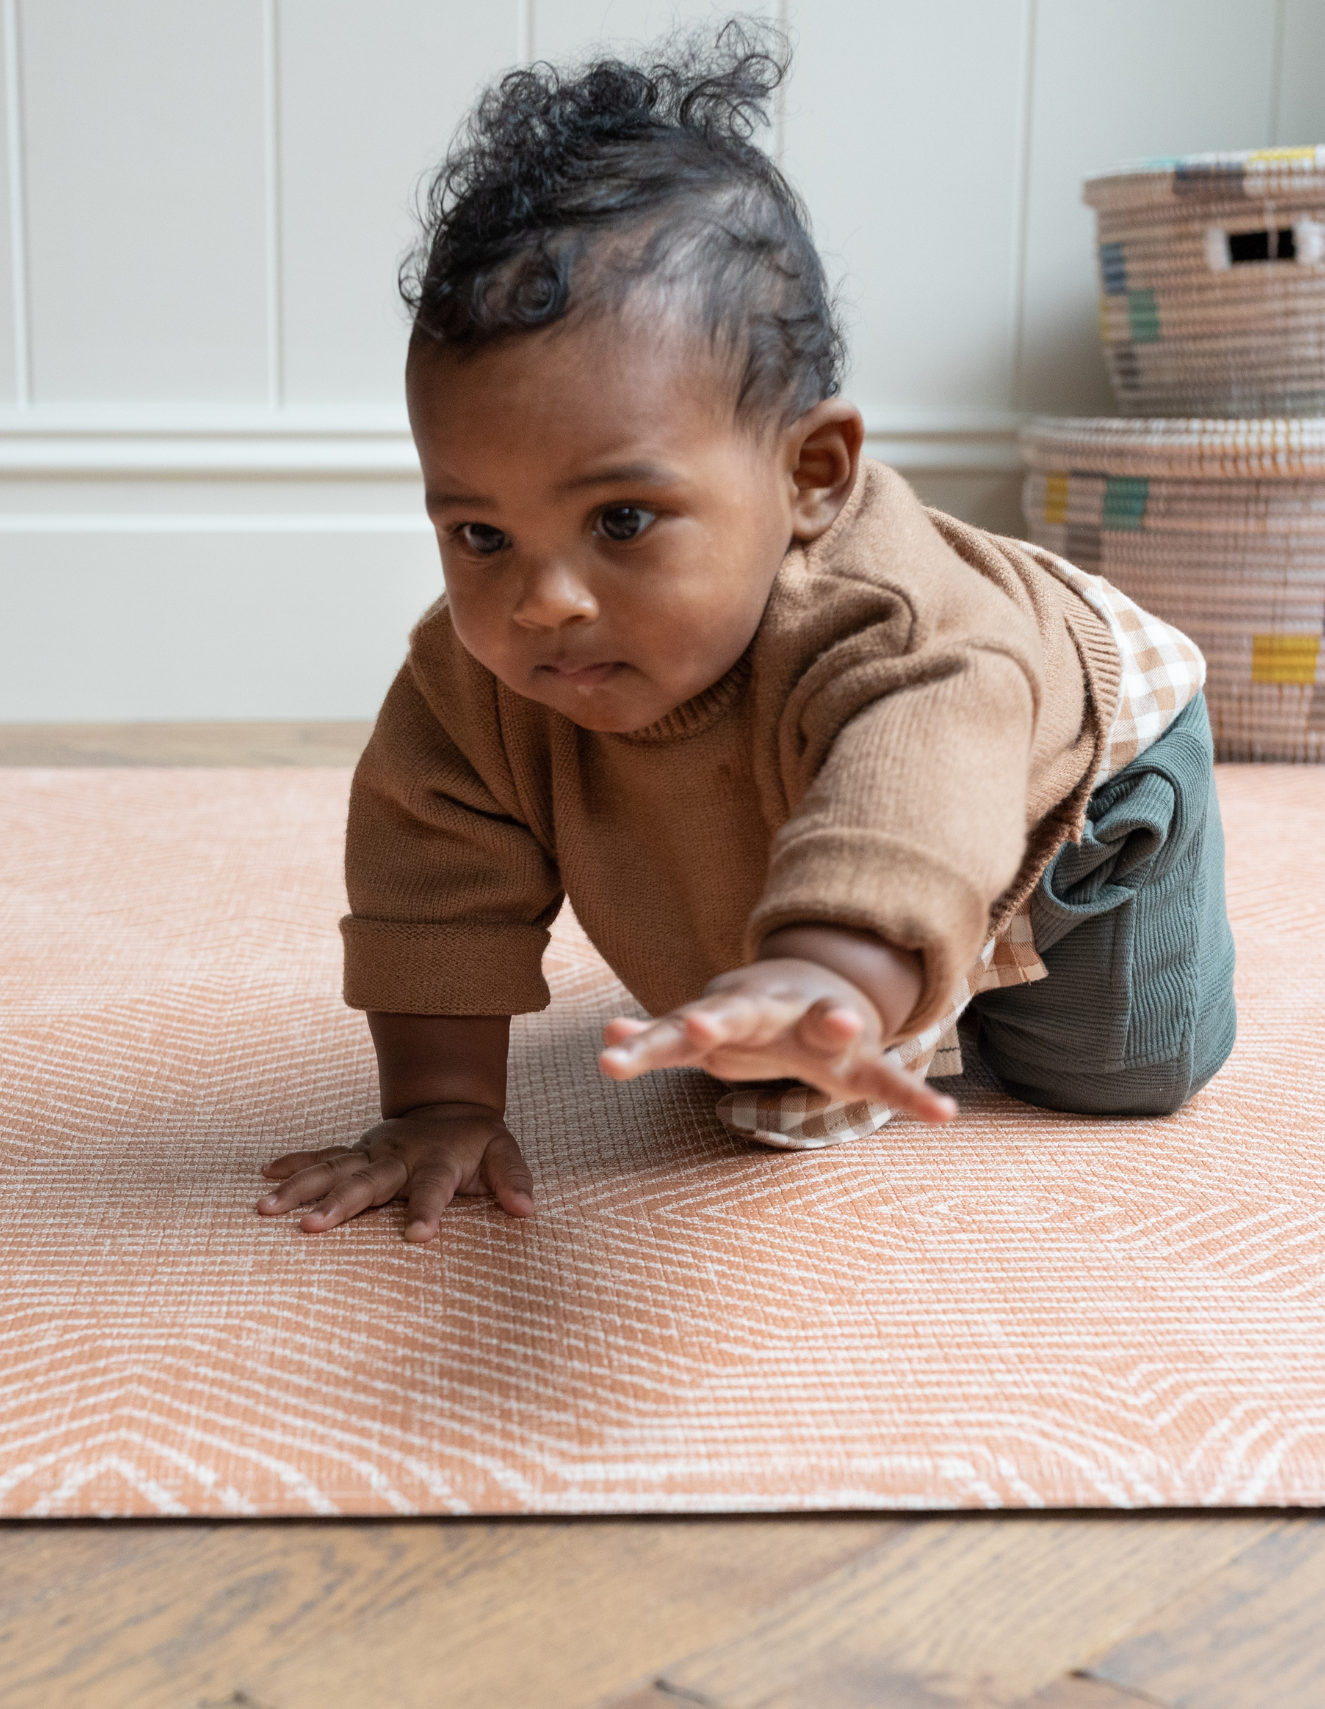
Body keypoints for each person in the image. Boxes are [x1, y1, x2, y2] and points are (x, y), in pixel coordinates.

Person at [258, 23, 1235, 1242]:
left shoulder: (896, 627)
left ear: (812, 476)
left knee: (1111, 1071)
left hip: (1069, 778)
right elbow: (430, 886)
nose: (542, 599)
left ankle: (1009, 923)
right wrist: (440, 1101)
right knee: (753, 1034)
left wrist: (832, 968)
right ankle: (890, 965)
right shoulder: (477, 679)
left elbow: (915, 783)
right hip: (821, 823)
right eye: (480, 534)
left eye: (621, 516)